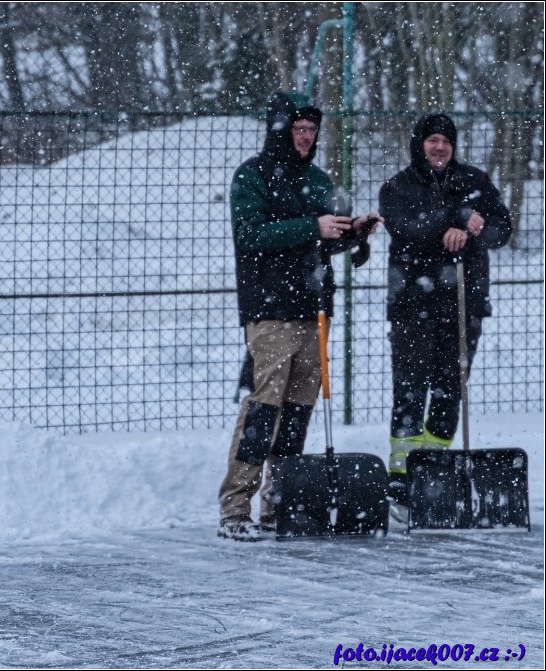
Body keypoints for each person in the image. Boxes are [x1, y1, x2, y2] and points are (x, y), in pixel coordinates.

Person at [218, 91, 380, 542]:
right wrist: (313, 226)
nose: (306, 137)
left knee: (297, 411)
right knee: (264, 407)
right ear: (280, 129)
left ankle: (279, 501)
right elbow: (250, 235)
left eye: (312, 129)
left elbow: (327, 239)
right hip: (270, 310)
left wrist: (354, 233)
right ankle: (235, 508)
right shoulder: (251, 176)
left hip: (314, 309)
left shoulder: (318, 179)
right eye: (298, 128)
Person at [378, 113, 511, 518]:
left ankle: (435, 468)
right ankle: (401, 476)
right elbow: (407, 230)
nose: (440, 147)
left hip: (464, 305)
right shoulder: (397, 187)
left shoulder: (475, 181)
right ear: (420, 144)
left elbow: (501, 229)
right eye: (433, 140)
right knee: (411, 387)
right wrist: (455, 218)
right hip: (413, 306)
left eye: (446, 141)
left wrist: (474, 229)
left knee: (450, 388)